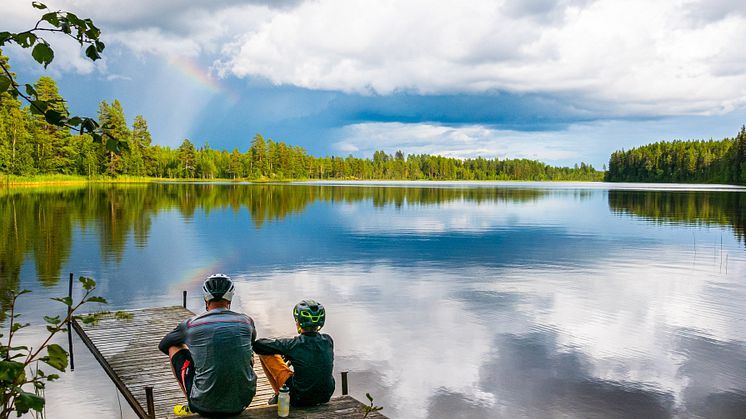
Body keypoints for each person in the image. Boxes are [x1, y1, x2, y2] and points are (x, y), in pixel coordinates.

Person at [158, 274, 257, 417]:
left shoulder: (191, 324)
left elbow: (164, 345)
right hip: (242, 402)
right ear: (230, 298)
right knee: (248, 352)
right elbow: (251, 344)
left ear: (205, 298)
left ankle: (191, 401)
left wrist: (196, 354)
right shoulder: (246, 321)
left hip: (204, 406)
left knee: (174, 347)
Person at [254, 299, 335, 407]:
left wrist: (282, 351)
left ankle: (279, 394)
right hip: (326, 395)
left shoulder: (293, 345)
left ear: (298, 322)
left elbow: (259, 345)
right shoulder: (328, 340)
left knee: (265, 353)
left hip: (299, 398)